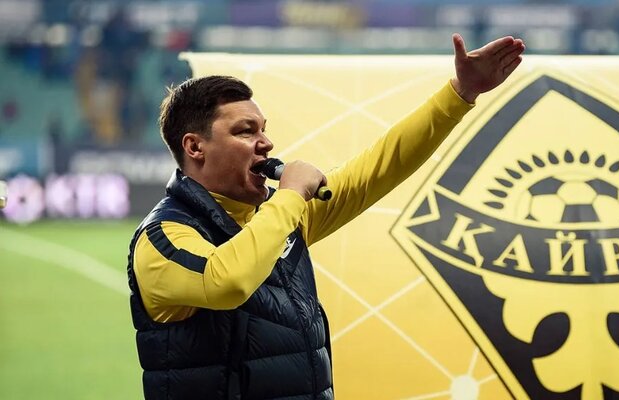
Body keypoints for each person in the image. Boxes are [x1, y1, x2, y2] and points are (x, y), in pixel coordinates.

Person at [127, 33, 525, 400]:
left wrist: (461, 94)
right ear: (195, 147)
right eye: (246, 131)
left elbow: (380, 166)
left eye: (264, 129)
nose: (266, 143)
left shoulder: (278, 215)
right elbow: (227, 282)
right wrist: (290, 195)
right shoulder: (162, 238)